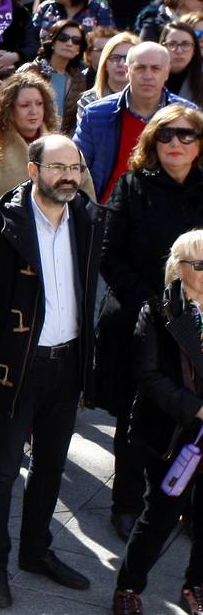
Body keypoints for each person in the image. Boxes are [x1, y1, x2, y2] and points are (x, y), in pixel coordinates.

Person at [0, 133, 104, 607]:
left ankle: (36, 551)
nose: (68, 176)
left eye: (75, 168)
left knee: (50, 466)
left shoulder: (86, 216)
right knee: (2, 470)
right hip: (16, 369)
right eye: (58, 167)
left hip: (68, 364)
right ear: (33, 170)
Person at [99, 105, 203, 543]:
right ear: (152, 143)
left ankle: (183, 504)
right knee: (134, 416)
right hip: (143, 320)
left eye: (185, 135)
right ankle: (125, 503)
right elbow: (110, 257)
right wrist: (158, 308)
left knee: (194, 417)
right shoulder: (133, 186)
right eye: (165, 136)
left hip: (199, 322)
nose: (175, 143)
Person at [111, 227, 203, 614]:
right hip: (173, 433)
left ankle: (195, 585)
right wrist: (196, 410)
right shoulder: (158, 311)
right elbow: (148, 376)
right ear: (178, 269)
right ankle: (128, 589)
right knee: (161, 514)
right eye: (200, 263)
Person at [74, 41, 190, 202]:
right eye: (140, 68)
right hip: (109, 211)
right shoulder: (96, 114)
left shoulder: (188, 115)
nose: (148, 76)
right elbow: (76, 165)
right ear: (127, 71)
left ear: (167, 73)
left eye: (155, 68)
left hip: (171, 210)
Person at [0, 73, 65, 215]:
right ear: (9, 110)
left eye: (39, 104)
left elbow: (84, 200)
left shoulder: (64, 150)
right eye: (25, 105)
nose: (34, 111)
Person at [18, 18, 91, 132]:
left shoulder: (79, 79)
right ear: (52, 41)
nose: (69, 43)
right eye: (63, 38)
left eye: (76, 40)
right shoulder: (31, 70)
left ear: (79, 49)